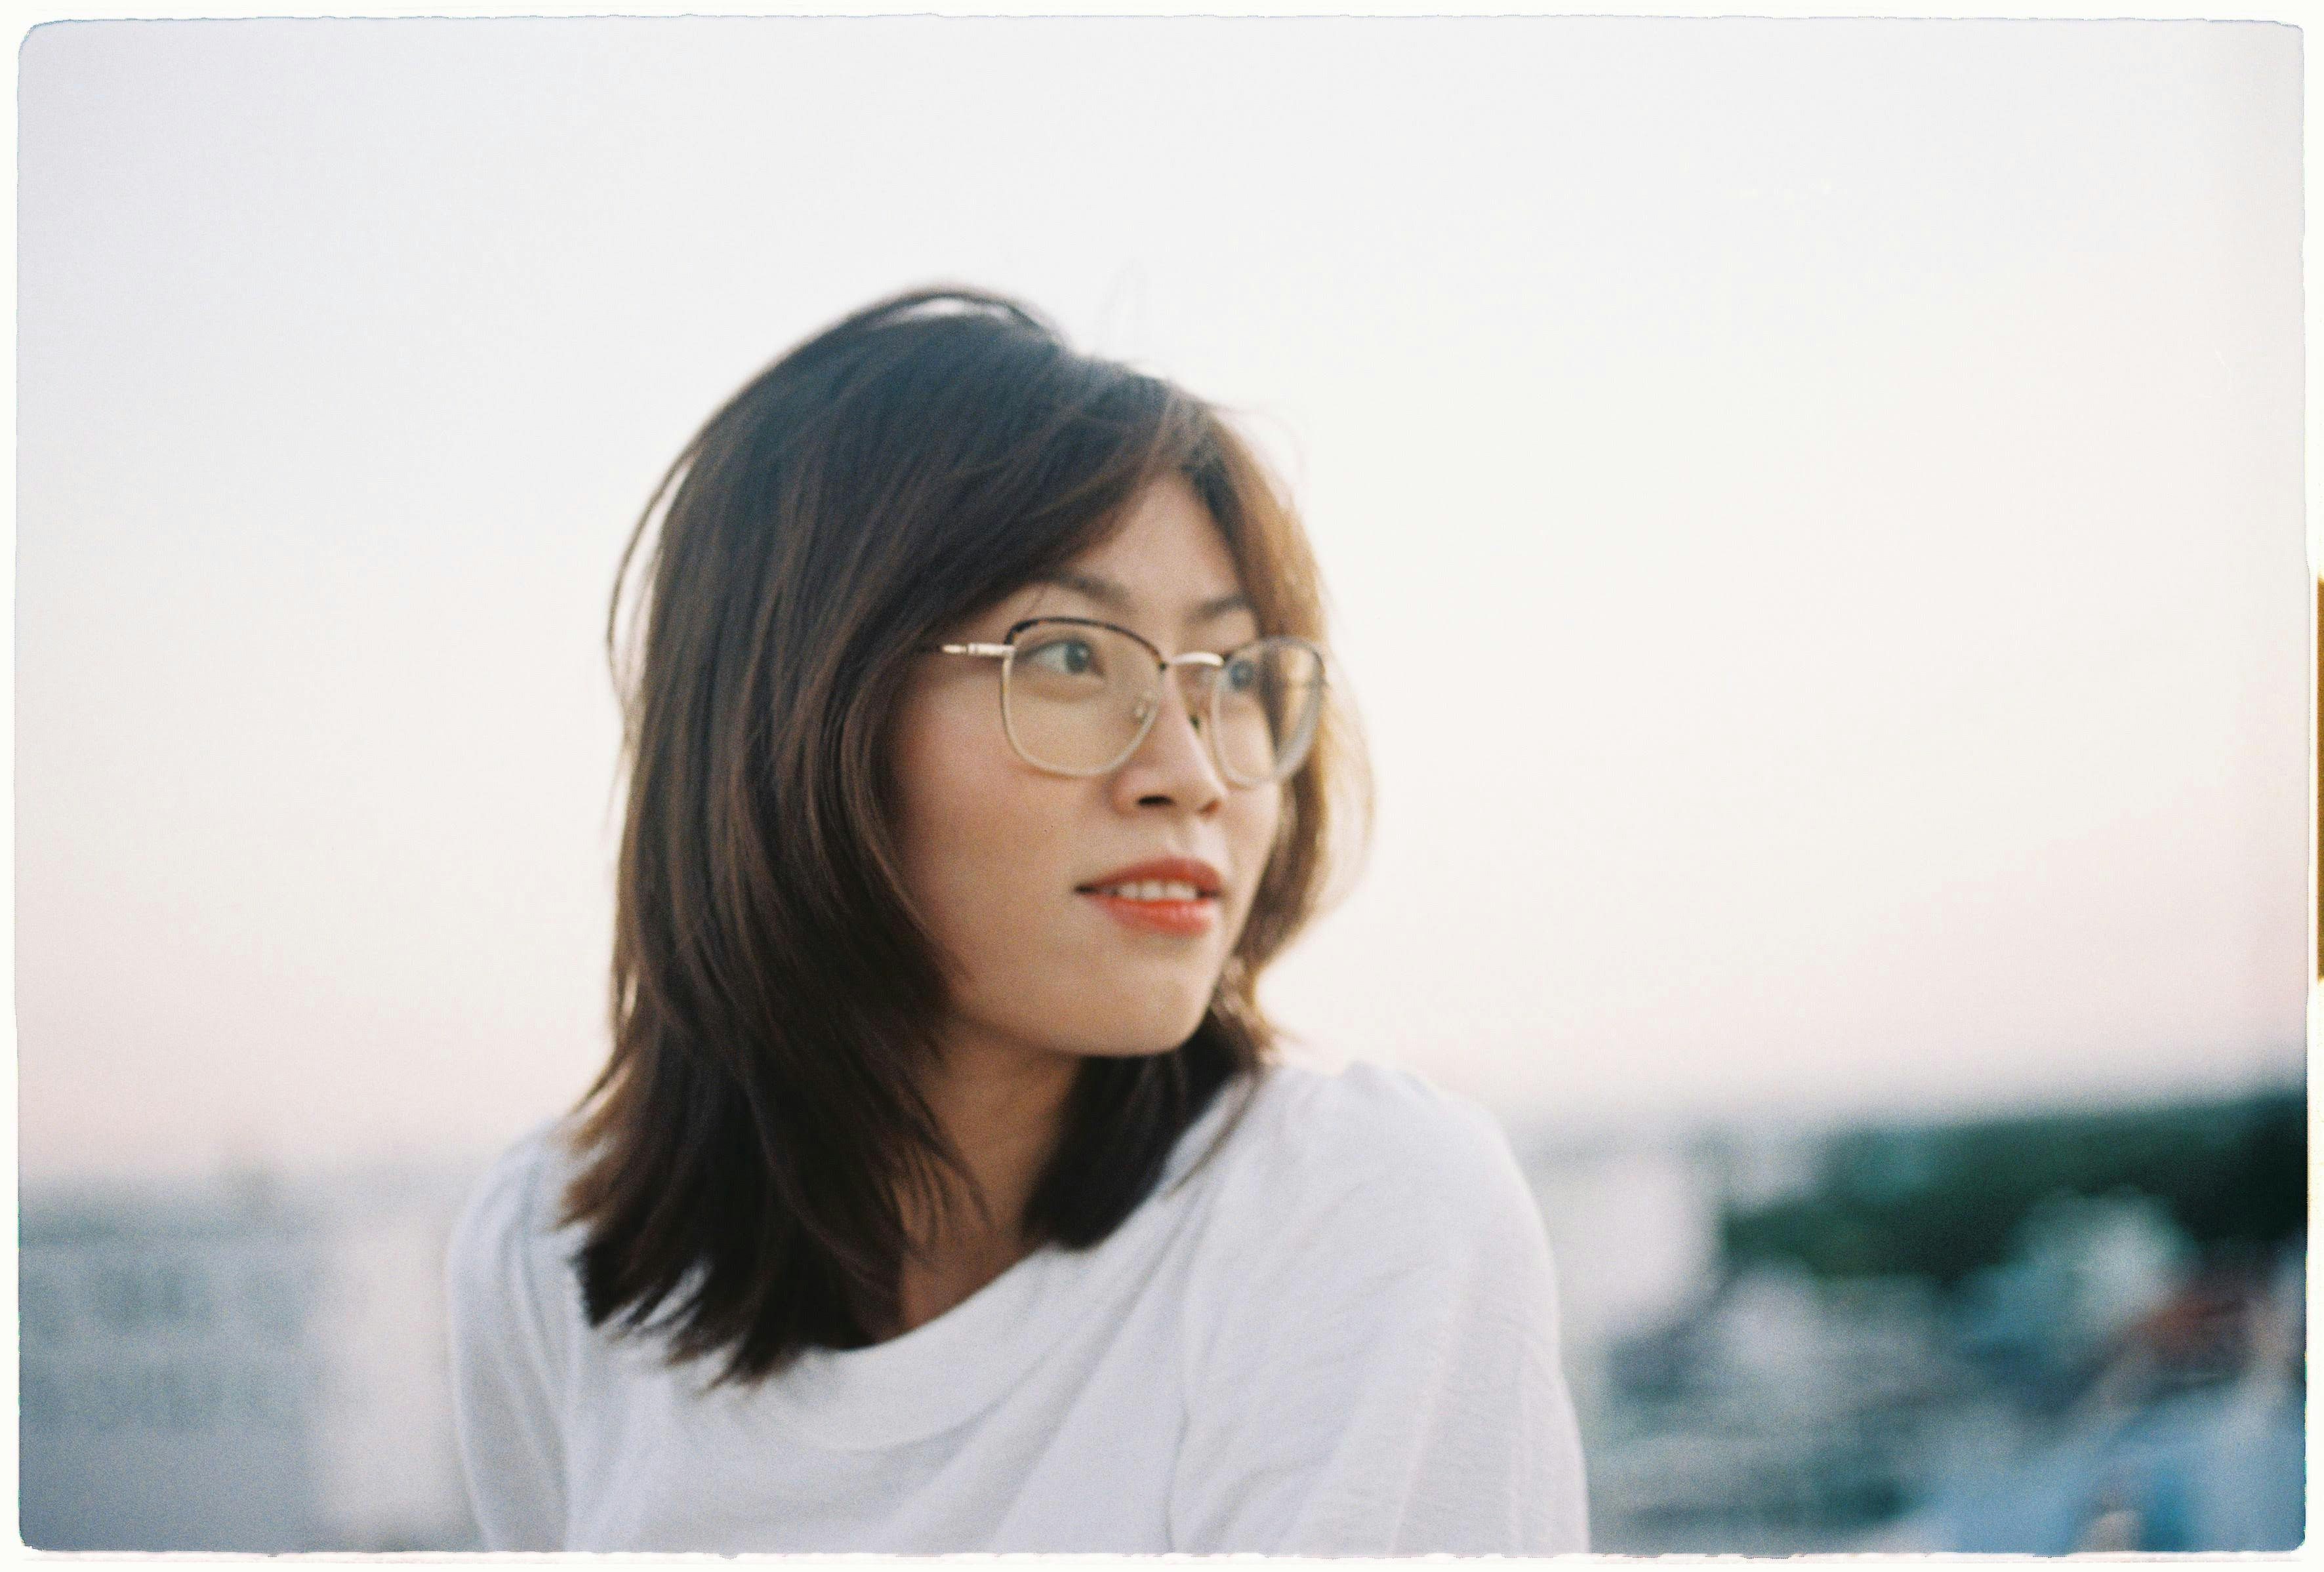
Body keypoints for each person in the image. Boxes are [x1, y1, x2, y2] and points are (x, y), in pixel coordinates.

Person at [443, 286, 1589, 1554]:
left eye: (1233, 673)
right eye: (1071, 658)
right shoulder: (549, 1258)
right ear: (798, 715)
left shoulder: (1357, 1218)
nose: (1195, 769)